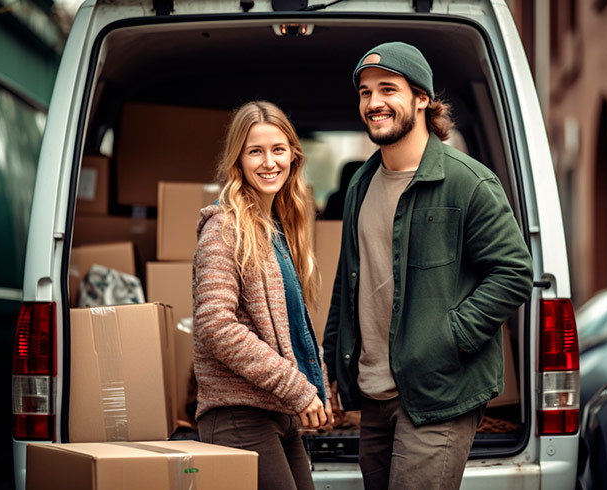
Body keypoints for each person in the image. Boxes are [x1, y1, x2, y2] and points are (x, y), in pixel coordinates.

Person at [322, 42, 534, 490]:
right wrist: (332, 361)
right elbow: (350, 279)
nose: (373, 103)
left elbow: (514, 273)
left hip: (440, 391)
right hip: (374, 390)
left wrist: (448, 338)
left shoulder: (468, 182)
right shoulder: (361, 183)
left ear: (422, 98)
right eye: (364, 92)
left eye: (387, 89)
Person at [193, 100, 332, 490]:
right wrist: (298, 389)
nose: (269, 162)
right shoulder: (224, 228)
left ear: (293, 155)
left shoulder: (278, 229)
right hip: (238, 415)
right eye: (255, 151)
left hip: (276, 412)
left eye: (278, 149)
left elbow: (293, 328)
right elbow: (215, 324)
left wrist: (317, 385)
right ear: (238, 159)